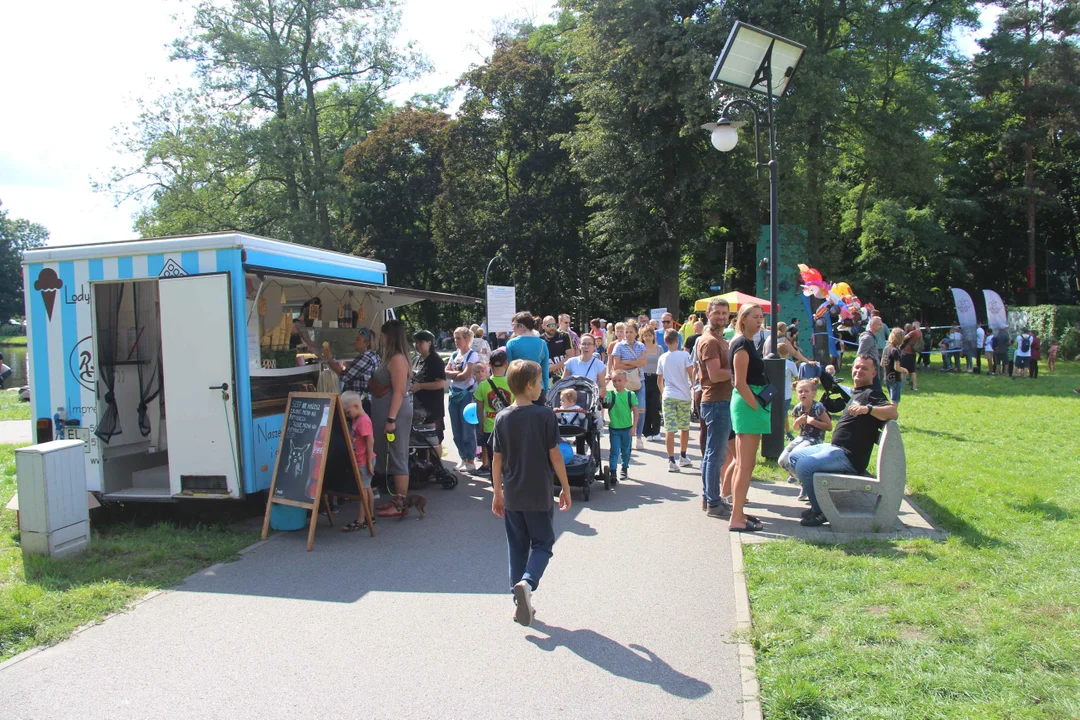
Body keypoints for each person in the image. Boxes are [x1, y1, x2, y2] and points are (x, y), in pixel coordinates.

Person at [491, 359, 571, 627]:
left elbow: (497, 459)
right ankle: (527, 583)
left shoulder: (502, 417)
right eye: (539, 383)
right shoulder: (545, 415)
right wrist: (565, 487)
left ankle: (519, 605)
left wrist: (496, 493)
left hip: (512, 494)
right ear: (529, 385)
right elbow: (555, 456)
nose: (542, 388)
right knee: (543, 544)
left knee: (516, 548)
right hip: (538, 493)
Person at [787, 354, 899, 527]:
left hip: (849, 457)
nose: (859, 370)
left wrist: (867, 409)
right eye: (857, 367)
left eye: (864, 368)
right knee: (793, 456)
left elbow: (893, 413)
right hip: (836, 448)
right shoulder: (858, 391)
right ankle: (819, 501)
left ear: (874, 373)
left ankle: (820, 511)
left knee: (804, 466)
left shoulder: (872, 393)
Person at [729, 303, 771, 533]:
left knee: (744, 465)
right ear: (743, 319)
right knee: (745, 466)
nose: (760, 320)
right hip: (748, 405)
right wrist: (756, 405)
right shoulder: (742, 344)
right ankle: (736, 517)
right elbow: (739, 382)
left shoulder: (746, 342)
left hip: (749, 404)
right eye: (755, 316)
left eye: (761, 316)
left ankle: (739, 512)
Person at [369, 319, 414, 517]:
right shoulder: (390, 357)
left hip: (395, 414)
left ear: (389, 336)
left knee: (398, 455)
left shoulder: (397, 359)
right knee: (392, 454)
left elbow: (399, 392)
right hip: (388, 412)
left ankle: (400, 504)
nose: (381, 338)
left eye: (383, 335)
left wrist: (390, 420)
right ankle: (397, 499)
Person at [696, 299, 734, 518]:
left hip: (720, 401)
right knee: (715, 455)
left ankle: (708, 498)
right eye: (717, 313)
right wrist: (739, 371)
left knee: (713, 454)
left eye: (724, 313)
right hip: (716, 401)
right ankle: (713, 502)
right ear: (708, 314)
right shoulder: (709, 341)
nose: (721, 316)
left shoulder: (719, 338)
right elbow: (715, 375)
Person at [777, 379, 831, 484]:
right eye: (800, 391)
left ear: (813, 393)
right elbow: (796, 428)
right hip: (802, 438)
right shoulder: (797, 408)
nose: (803, 394)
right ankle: (796, 476)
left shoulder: (818, 407)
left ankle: (804, 484)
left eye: (806, 391)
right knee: (782, 460)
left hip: (815, 439)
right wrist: (798, 421)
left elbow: (829, 427)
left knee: (796, 453)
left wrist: (813, 422)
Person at [657, 329, 694, 473]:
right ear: (677, 341)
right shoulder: (685, 355)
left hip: (668, 395)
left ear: (665, 342)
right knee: (684, 427)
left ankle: (671, 460)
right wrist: (691, 386)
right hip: (683, 395)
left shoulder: (662, 358)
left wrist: (662, 392)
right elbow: (691, 374)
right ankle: (683, 455)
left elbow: (659, 379)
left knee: (669, 428)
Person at [445, 327, 480, 472]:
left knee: (467, 429)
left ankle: (470, 460)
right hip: (454, 395)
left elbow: (466, 375)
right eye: (454, 338)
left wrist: (453, 374)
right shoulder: (454, 354)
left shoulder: (472, 355)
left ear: (467, 339)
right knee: (456, 429)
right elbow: (445, 372)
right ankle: (463, 457)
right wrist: (456, 373)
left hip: (467, 395)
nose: (456, 341)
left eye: (458, 338)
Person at [340, 391, 376, 532]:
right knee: (367, 488)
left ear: (356, 406)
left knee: (363, 491)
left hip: (364, 460)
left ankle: (362, 519)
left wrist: (367, 461)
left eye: (348, 413)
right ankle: (370, 516)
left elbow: (370, 441)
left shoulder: (363, 421)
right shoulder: (356, 419)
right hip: (361, 459)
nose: (348, 416)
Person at [474, 349, 513, 475]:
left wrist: (481, 425)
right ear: (506, 363)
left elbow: (479, 409)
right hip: (508, 427)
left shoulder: (483, 386)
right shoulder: (512, 384)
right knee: (509, 460)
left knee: (493, 461)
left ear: (489, 365)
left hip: (489, 429)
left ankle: (496, 488)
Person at [410, 330, 447, 454]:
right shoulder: (416, 359)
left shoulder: (435, 361)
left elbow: (441, 383)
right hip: (418, 409)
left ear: (429, 343)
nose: (417, 345)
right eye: (415, 342)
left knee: (433, 440)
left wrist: (420, 386)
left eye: (421, 342)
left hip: (432, 408)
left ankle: (438, 468)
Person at [612, 321, 647, 449]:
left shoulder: (641, 346)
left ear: (636, 333)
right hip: (624, 382)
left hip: (639, 380)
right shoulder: (618, 347)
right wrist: (634, 363)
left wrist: (626, 362)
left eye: (631, 332)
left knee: (641, 409)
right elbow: (617, 365)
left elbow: (643, 363)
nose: (628, 334)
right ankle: (627, 436)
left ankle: (638, 437)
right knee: (624, 409)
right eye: (626, 332)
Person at [505, 312, 551, 404]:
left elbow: (508, 370)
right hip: (538, 389)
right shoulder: (542, 343)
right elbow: (545, 371)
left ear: (521, 326)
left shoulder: (511, 343)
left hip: (518, 391)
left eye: (513, 325)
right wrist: (545, 391)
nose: (512, 328)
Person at [324, 328, 380, 402]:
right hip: (367, 400)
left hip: (359, 401)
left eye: (358, 339)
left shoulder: (365, 358)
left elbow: (345, 376)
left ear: (366, 343)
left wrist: (330, 360)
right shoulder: (374, 356)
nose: (355, 342)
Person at [603, 371, 637, 482]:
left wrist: (634, 427)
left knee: (626, 451)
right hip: (614, 429)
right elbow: (602, 397)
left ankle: (624, 468)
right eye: (614, 381)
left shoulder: (630, 395)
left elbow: (636, 411)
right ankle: (613, 472)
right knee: (614, 451)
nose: (617, 383)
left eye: (619, 380)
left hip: (627, 428)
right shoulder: (610, 394)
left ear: (625, 381)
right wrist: (605, 382)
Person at [639, 325, 663, 440]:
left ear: (653, 336)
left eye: (650, 335)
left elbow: (663, 365)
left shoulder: (659, 349)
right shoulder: (640, 348)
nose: (648, 338)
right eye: (645, 335)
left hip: (656, 378)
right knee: (644, 406)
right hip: (643, 378)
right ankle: (647, 432)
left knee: (655, 405)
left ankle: (656, 431)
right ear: (642, 337)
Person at [542, 315, 574, 383]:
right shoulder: (540, 340)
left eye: (554, 325)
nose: (552, 328)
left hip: (565, 375)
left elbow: (570, 356)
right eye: (549, 326)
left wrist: (554, 367)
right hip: (548, 377)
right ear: (543, 326)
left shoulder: (564, 336)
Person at [881, 328, 908, 404]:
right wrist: (904, 370)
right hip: (895, 379)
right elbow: (897, 367)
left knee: (891, 398)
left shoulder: (886, 348)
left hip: (886, 378)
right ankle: (891, 415)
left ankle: (888, 414)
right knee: (894, 401)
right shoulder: (895, 351)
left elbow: (882, 364)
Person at [780, 344, 798, 438]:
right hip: (786, 394)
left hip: (773, 394)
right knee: (784, 415)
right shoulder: (791, 364)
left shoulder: (771, 362)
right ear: (788, 353)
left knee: (777, 415)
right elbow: (797, 378)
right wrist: (794, 383)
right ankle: (786, 433)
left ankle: (784, 432)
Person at [901, 321, 922, 391]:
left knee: (902, 370)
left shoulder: (913, 333)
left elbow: (903, 338)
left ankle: (900, 386)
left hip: (906, 353)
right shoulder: (920, 332)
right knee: (913, 371)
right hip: (913, 353)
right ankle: (914, 387)